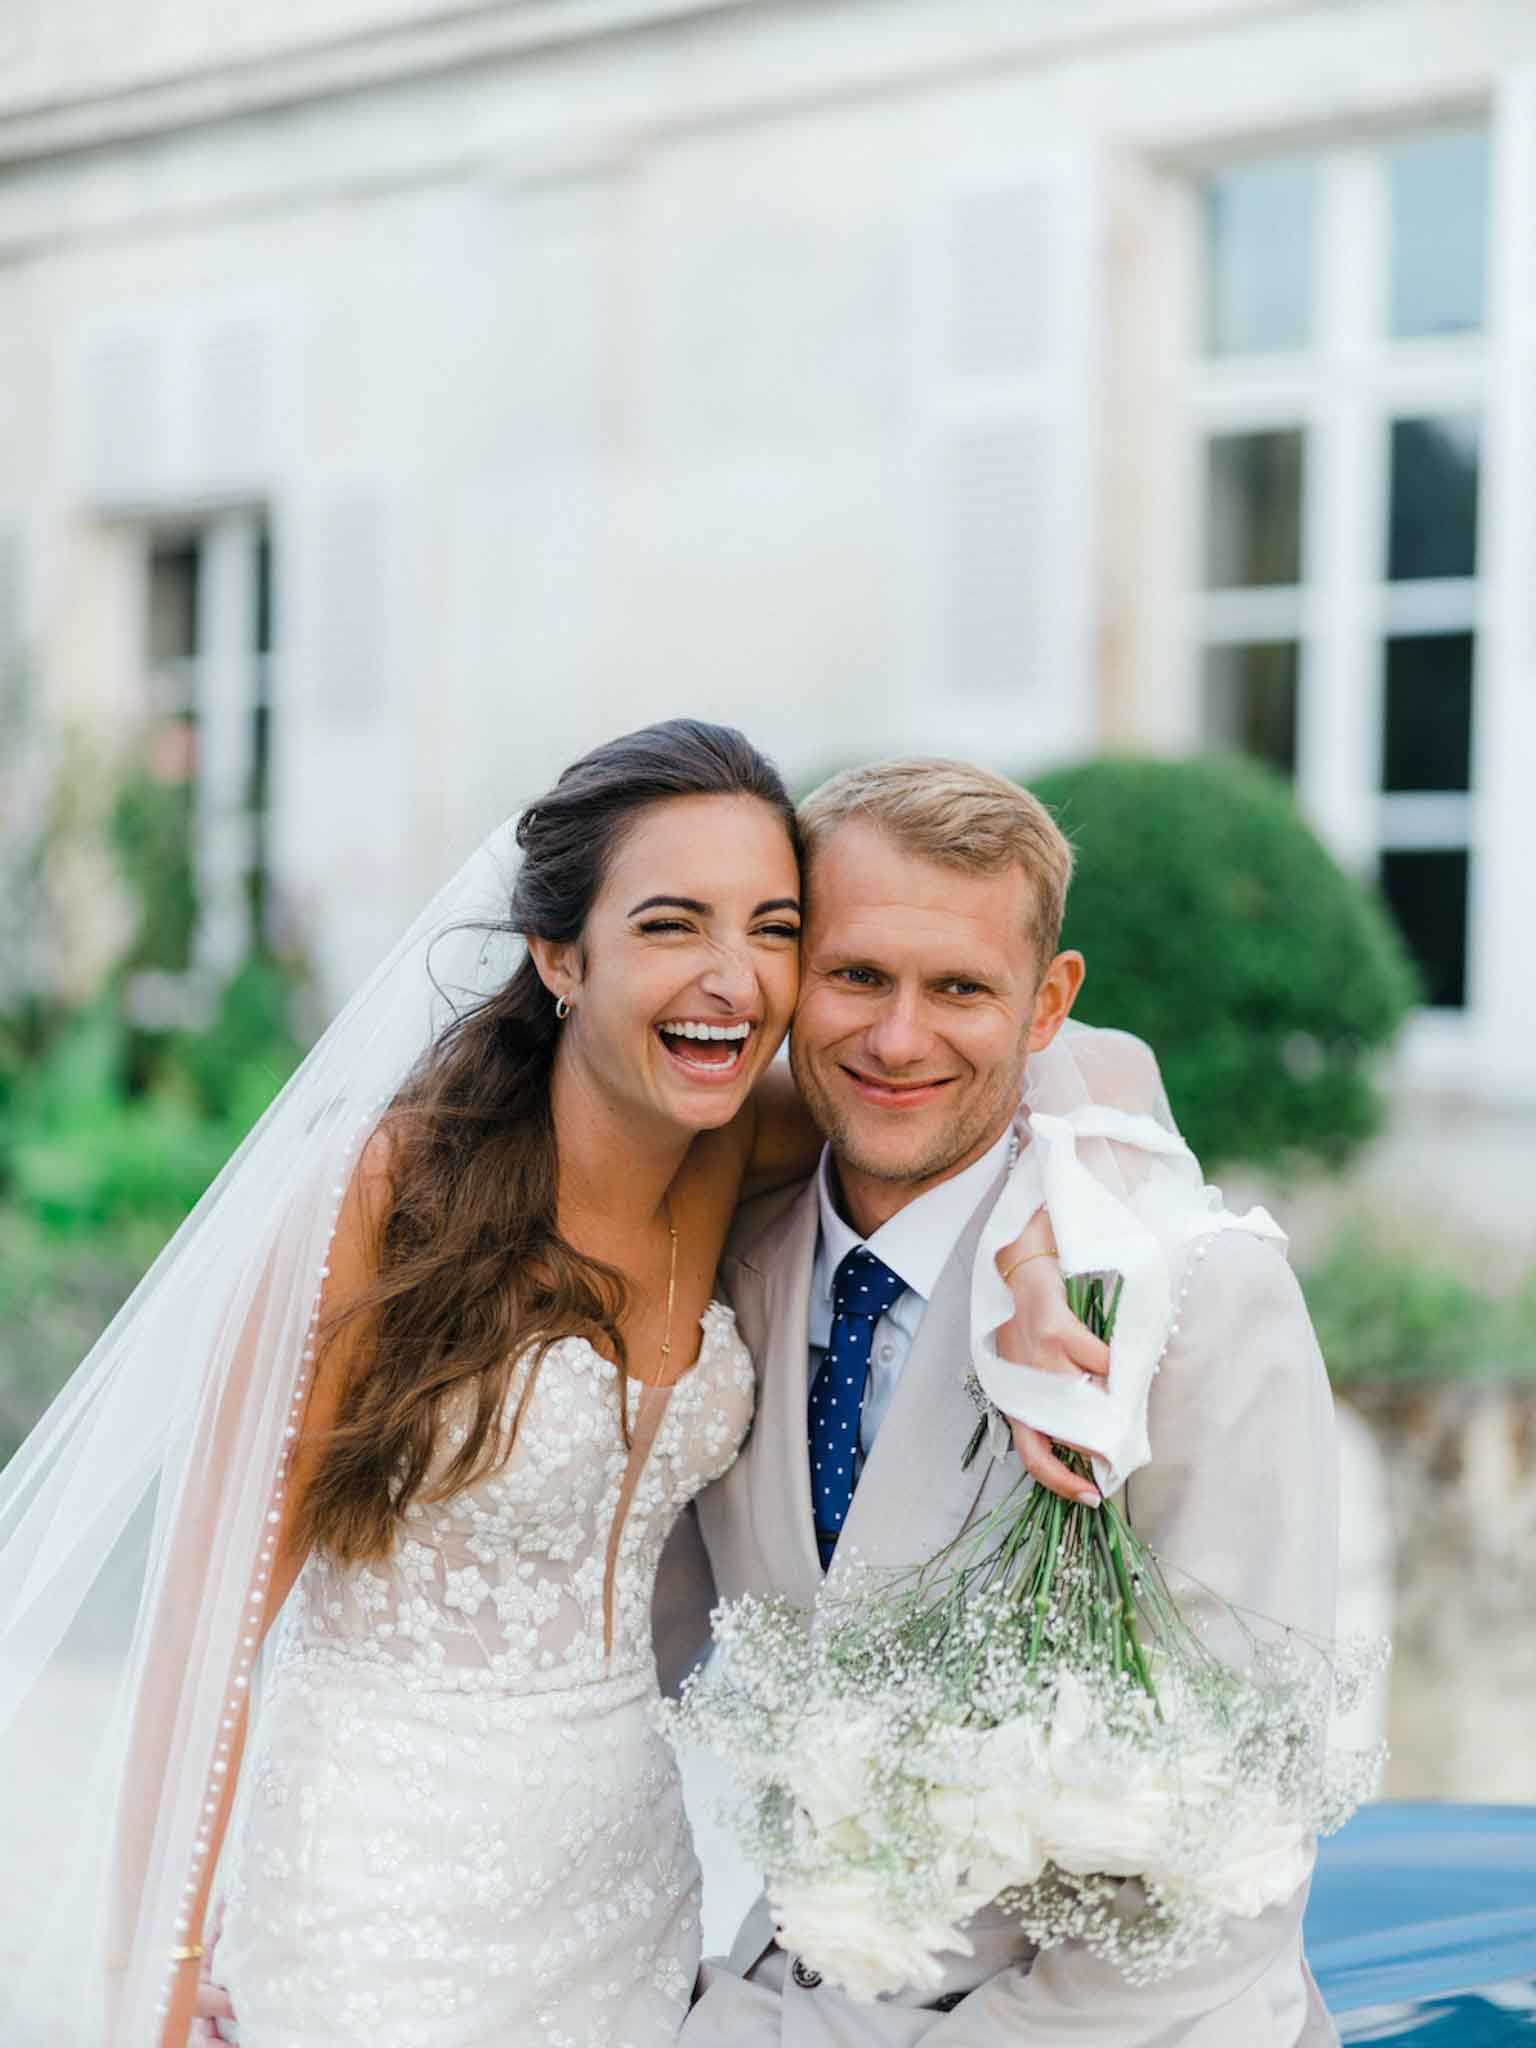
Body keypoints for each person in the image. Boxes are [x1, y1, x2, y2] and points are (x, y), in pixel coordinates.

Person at [0, 721, 1126, 2048]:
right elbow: (203, 1620)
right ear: (558, 955)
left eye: (772, 929)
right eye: (671, 925)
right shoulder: (383, 1191)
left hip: (628, 1888)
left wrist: (1041, 1242)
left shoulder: (745, 1145)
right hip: (380, 1888)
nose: (733, 979)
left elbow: (1074, 1070)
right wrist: (166, 1965)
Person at [661, 758, 1341, 2047]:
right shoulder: (718, 1262)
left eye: (961, 987)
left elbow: (1232, 1846)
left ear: (1049, 1004)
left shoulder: (1198, 1301)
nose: (899, 1038)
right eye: (857, 975)